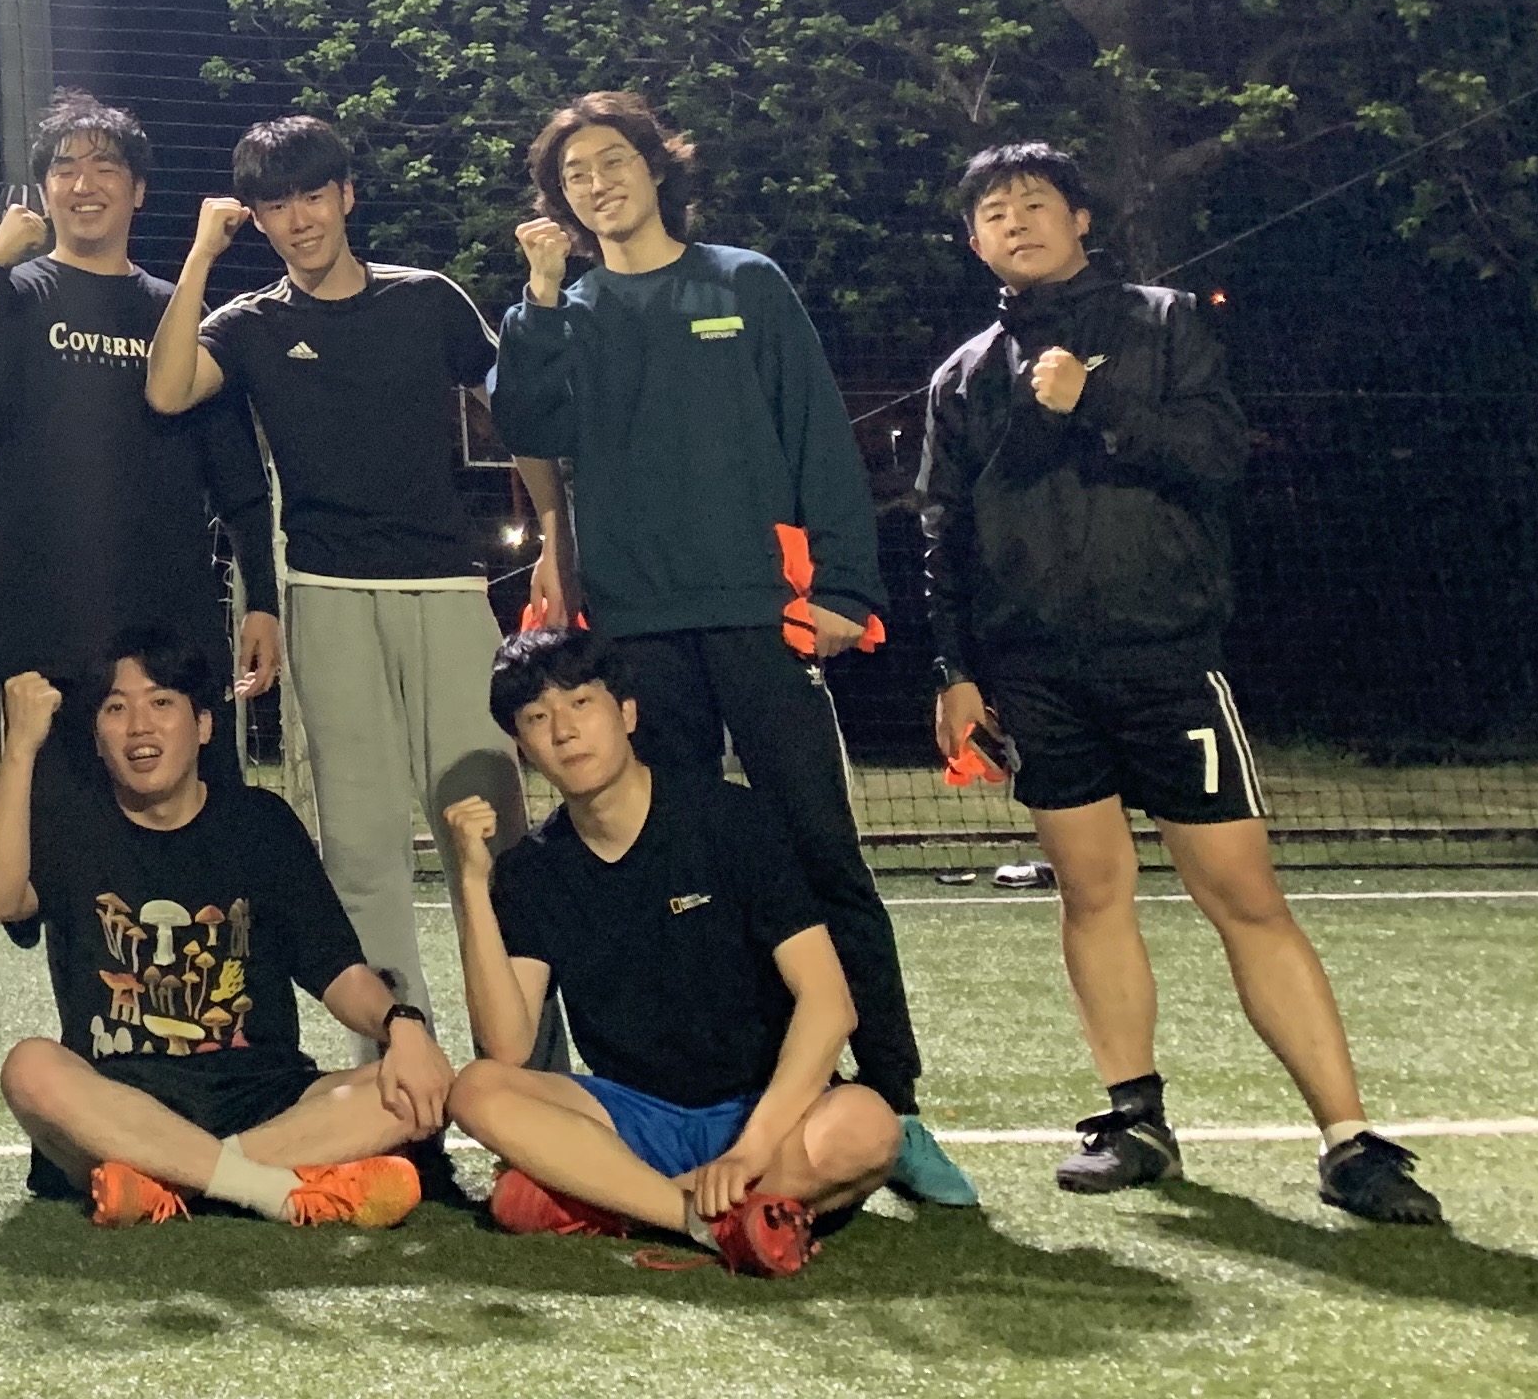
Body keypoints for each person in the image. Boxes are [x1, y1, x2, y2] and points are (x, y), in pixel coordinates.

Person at [920, 140, 1444, 1226]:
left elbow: (1217, 457)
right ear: (973, 242)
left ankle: (1350, 1142)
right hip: (1037, 675)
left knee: (1244, 898)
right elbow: (945, 533)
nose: (1015, 222)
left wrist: (1092, 403)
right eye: (993, 213)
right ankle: (1134, 1120)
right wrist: (957, 670)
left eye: (1034, 203)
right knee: (1090, 893)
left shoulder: (1163, 323)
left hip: (1167, 660)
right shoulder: (963, 375)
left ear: (1080, 218)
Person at [488, 89, 969, 1207]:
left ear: (658, 167)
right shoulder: (563, 310)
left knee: (821, 854)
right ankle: (707, 1099)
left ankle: (892, 1105)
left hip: (760, 615)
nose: (597, 184)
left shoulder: (745, 283)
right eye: (574, 175)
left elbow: (816, 435)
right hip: (635, 630)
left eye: (613, 161)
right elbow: (528, 429)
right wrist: (541, 298)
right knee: (675, 869)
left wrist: (843, 584)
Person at [141, 115, 519, 1053]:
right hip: (327, 595)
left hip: (449, 593)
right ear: (257, 218)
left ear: (347, 196)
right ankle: (400, 1072)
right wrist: (200, 254)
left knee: (491, 837)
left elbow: (525, 409)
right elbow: (167, 388)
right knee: (360, 849)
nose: (299, 218)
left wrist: (557, 535)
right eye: (276, 204)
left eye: (313, 195)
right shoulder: (249, 323)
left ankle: (526, 1070)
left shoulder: (428, 299)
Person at [440, 627, 902, 1276]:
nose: (564, 731)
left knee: (868, 1126)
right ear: (522, 746)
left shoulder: (732, 821)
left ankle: (619, 1202)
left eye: (581, 703)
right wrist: (471, 884)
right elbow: (507, 1048)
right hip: (633, 1116)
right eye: (537, 718)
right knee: (476, 1089)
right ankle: (709, 1220)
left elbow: (829, 1005)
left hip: (761, 1108)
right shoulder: (532, 870)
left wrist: (750, 1149)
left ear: (627, 714)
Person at [0, 625, 448, 1232]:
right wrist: (20, 749)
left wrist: (403, 1026)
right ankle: (270, 1186)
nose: (139, 726)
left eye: (161, 702)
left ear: (203, 725)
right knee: (30, 1068)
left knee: (411, 1089)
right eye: (116, 708)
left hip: (264, 1098)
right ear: (96, 736)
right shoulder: (73, 826)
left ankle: (169, 1181)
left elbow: (339, 972)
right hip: (120, 1103)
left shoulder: (260, 823)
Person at [0, 90, 281, 706]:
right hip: (44, 631)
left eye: (104, 168)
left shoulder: (175, 309)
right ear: (44, 192)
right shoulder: (16, 295)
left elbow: (234, 471)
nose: (83, 184)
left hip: (168, 630)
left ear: (138, 190)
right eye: (64, 169)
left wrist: (263, 599)